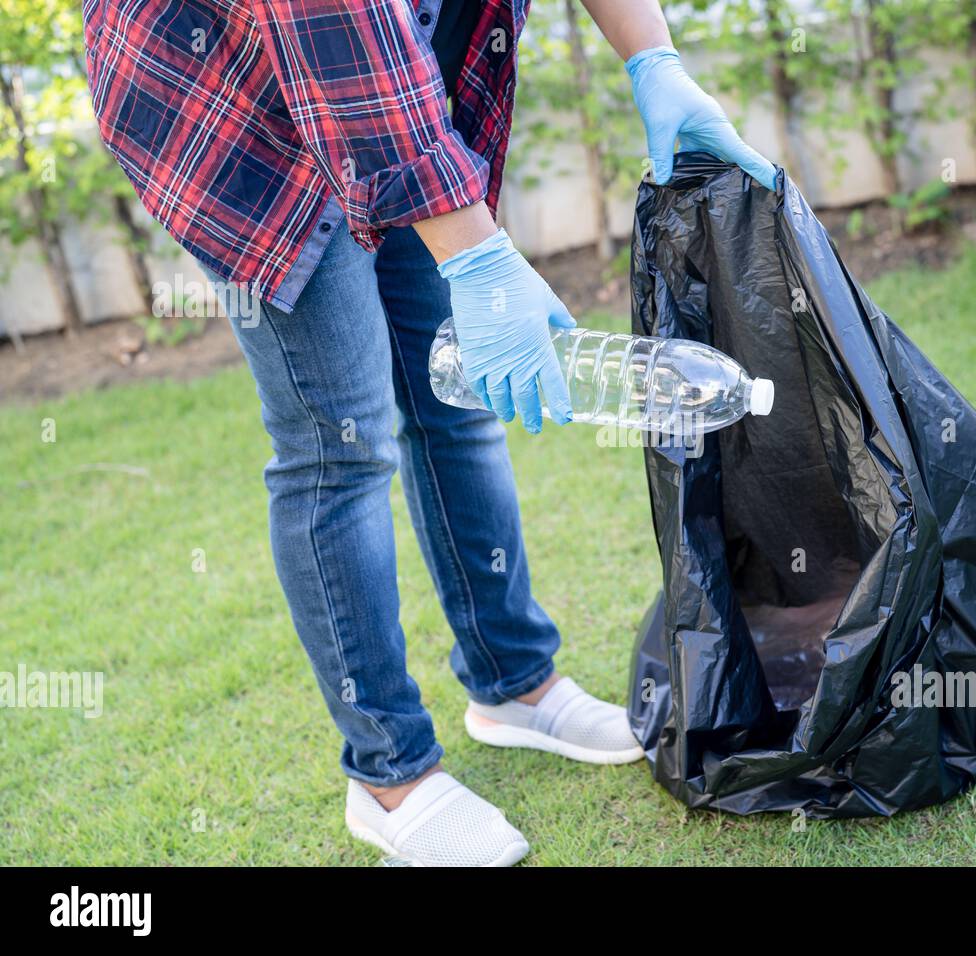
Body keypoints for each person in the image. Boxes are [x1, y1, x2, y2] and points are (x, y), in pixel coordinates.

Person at [84, 0, 776, 866]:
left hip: (400, 89)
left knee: (456, 396)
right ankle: (388, 774)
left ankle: (513, 682)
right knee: (338, 445)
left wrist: (653, 59)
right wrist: (476, 254)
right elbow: (334, 29)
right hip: (242, 104)